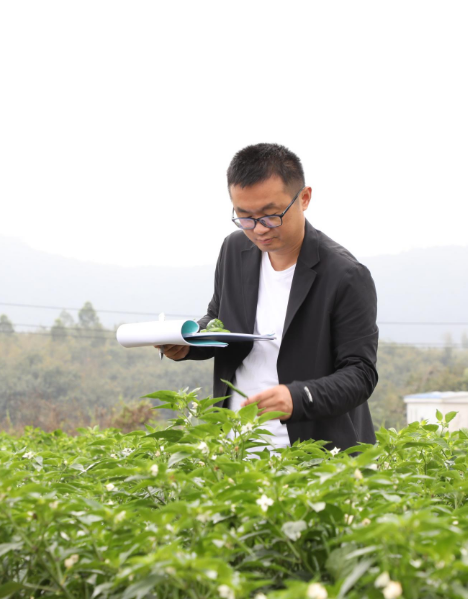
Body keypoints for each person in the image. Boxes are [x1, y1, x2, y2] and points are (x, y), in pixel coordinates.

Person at [156, 143, 378, 451]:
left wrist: (298, 397)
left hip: (315, 453)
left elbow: (361, 373)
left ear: (304, 198)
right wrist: (188, 343)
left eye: (270, 215)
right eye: (244, 216)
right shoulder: (234, 251)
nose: (258, 229)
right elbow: (218, 320)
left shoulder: (345, 275)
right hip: (238, 448)